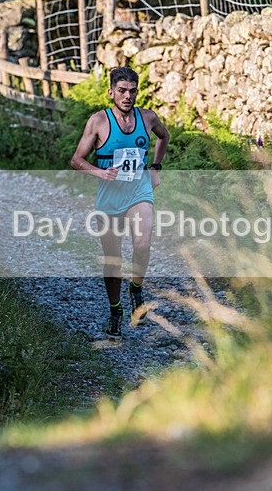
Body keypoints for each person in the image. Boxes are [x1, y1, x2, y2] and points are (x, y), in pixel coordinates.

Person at [71, 67, 170, 340]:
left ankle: (136, 288)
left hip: (139, 191)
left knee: (142, 243)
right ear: (111, 92)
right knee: (113, 260)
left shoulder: (147, 118)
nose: (127, 96)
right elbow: (76, 160)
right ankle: (115, 310)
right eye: (122, 91)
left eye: (132, 91)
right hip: (109, 198)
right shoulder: (99, 121)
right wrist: (100, 172)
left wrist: (156, 167)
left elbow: (164, 137)